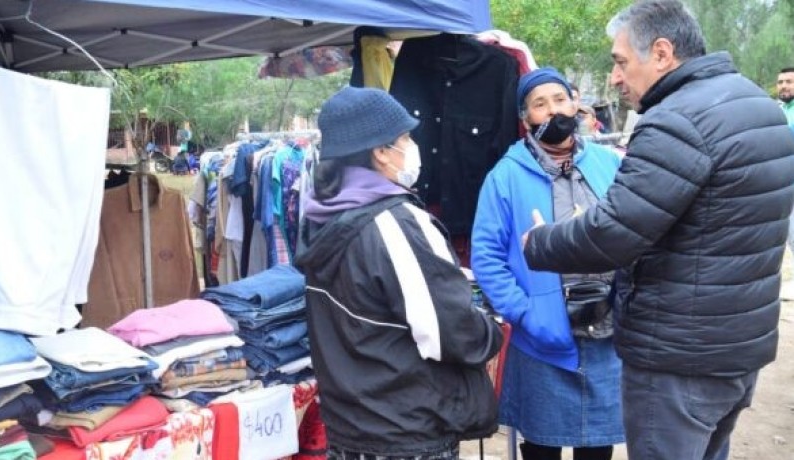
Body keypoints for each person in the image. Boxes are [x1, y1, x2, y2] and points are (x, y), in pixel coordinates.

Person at [522, 1, 794, 459]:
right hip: (736, 348)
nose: (615, 78)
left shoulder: (677, 120)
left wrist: (541, 242)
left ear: (663, 53)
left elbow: (613, 234)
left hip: (678, 358)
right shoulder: (756, 104)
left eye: (621, 62)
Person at [294, 87, 504, 460]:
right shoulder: (395, 223)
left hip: (350, 428)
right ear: (379, 151)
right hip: (406, 431)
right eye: (405, 137)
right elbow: (451, 333)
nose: (411, 146)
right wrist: (490, 329)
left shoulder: (319, 217)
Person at [471, 67, 624, 460]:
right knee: (541, 448)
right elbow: (486, 258)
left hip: (607, 335)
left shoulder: (611, 165)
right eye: (540, 104)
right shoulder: (504, 177)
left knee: (597, 449)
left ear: (575, 103)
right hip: (542, 338)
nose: (553, 110)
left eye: (559, 99)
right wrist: (526, 313)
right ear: (526, 120)